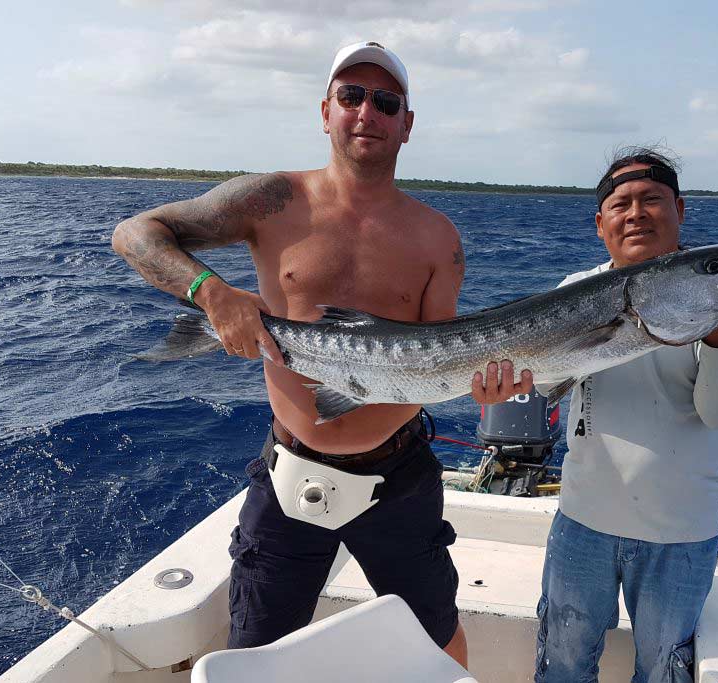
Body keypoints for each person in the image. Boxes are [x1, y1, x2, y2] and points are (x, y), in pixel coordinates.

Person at [112, 41, 531, 665]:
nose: (368, 112)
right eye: (351, 96)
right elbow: (135, 233)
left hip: (401, 478)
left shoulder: (439, 237)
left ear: (407, 124)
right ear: (326, 111)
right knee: (253, 657)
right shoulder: (270, 200)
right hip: (291, 473)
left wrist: (485, 384)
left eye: (386, 102)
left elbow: (438, 351)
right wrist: (212, 292)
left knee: (439, 645)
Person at [534, 147, 718, 683]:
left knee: (662, 673)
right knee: (562, 668)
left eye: (652, 200)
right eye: (621, 204)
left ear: (680, 211)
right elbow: (546, 381)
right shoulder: (575, 290)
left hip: (681, 536)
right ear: (600, 223)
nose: (636, 213)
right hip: (582, 523)